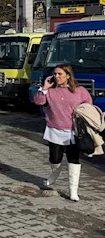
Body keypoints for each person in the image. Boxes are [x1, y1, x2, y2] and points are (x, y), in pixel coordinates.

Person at [33, 63, 92, 201]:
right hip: (54, 129)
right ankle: (54, 175)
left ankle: (73, 191)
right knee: (55, 158)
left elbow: (88, 104)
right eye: (55, 74)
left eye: (59, 74)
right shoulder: (51, 91)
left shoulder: (80, 90)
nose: (56, 76)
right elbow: (38, 101)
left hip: (73, 131)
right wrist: (44, 89)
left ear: (68, 76)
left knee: (73, 159)